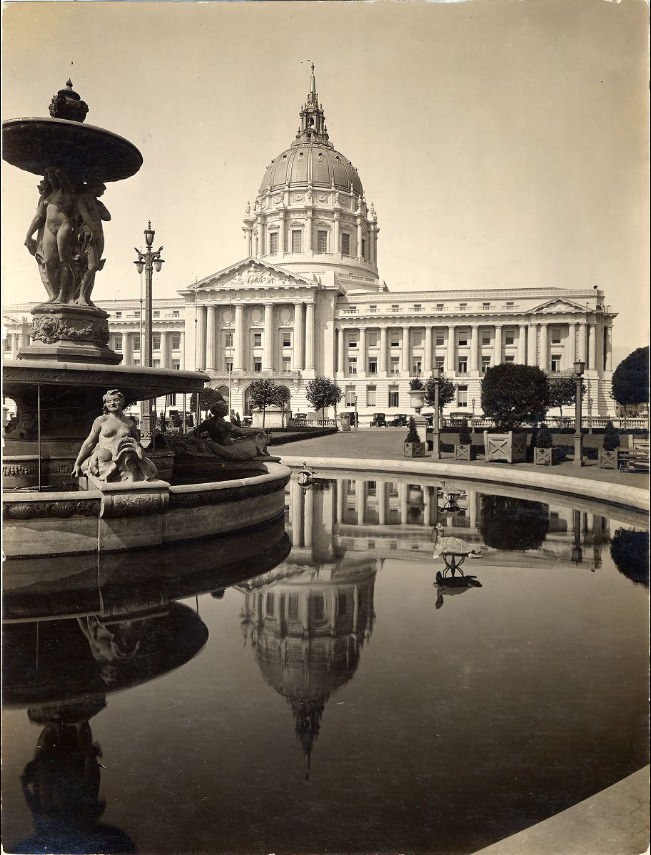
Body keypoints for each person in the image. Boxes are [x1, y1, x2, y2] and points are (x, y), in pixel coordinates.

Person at [72, 389, 158, 483]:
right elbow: (89, 442)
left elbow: (137, 444)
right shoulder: (101, 420)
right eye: (108, 401)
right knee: (103, 454)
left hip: (124, 459)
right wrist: (78, 463)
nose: (112, 403)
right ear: (105, 404)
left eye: (116, 400)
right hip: (105, 458)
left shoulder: (130, 424)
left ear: (122, 402)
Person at [25, 168, 77, 304]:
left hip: (63, 226)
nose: (51, 179)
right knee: (48, 261)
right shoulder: (45, 197)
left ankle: (62, 294)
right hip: (49, 229)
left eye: (53, 177)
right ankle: (54, 294)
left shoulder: (65, 191)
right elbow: (38, 217)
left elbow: (64, 181)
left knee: (63, 261)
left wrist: (56, 170)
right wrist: (28, 235)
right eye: (48, 178)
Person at [190, 398, 269, 461]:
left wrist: (203, 439)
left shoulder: (207, 422)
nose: (226, 409)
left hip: (217, 446)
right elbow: (242, 432)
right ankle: (262, 455)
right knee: (253, 441)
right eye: (224, 408)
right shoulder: (224, 424)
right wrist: (258, 430)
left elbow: (195, 432)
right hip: (228, 447)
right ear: (219, 411)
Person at [74, 181, 111, 307]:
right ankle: (81, 296)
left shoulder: (97, 203)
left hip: (99, 236)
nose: (102, 192)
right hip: (88, 235)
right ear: (94, 187)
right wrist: (92, 228)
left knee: (95, 267)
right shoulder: (81, 199)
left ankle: (87, 297)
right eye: (101, 189)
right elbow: (84, 215)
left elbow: (107, 216)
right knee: (92, 265)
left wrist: (98, 207)